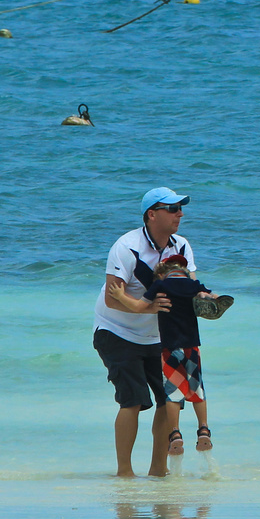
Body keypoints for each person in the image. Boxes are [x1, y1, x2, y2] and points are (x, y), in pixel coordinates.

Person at [93, 186, 195, 478]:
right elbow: (114, 297)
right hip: (116, 331)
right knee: (133, 400)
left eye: (180, 209)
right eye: (173, 209)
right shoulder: (126, 246)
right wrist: (145, 309)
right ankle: (124, 474)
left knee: (169, 400)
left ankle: (158, 471)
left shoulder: (182, 246)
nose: (180, 214)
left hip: (159, 335)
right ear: (152, 214)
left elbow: (189, 286)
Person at [130, 254, 234, 454]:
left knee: (173, 392)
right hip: (191, 346)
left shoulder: (160, 286)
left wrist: (121, 298)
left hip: (170, 348)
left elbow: (142, 305)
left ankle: (175, 434)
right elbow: (208, 296)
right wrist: (213, 298)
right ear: (183, 271)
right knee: (197, 389)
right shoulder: (192, 285)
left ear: (163, 272)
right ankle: (203, 429)